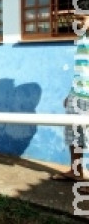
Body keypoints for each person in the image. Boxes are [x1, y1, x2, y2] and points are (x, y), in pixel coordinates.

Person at [52, 33, 89, 192]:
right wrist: (71, 94)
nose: (77, 22)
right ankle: (76, 171)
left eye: (82, 18)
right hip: (77, 94)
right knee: (73, 136)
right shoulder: (83, 38)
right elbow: (81, 70)